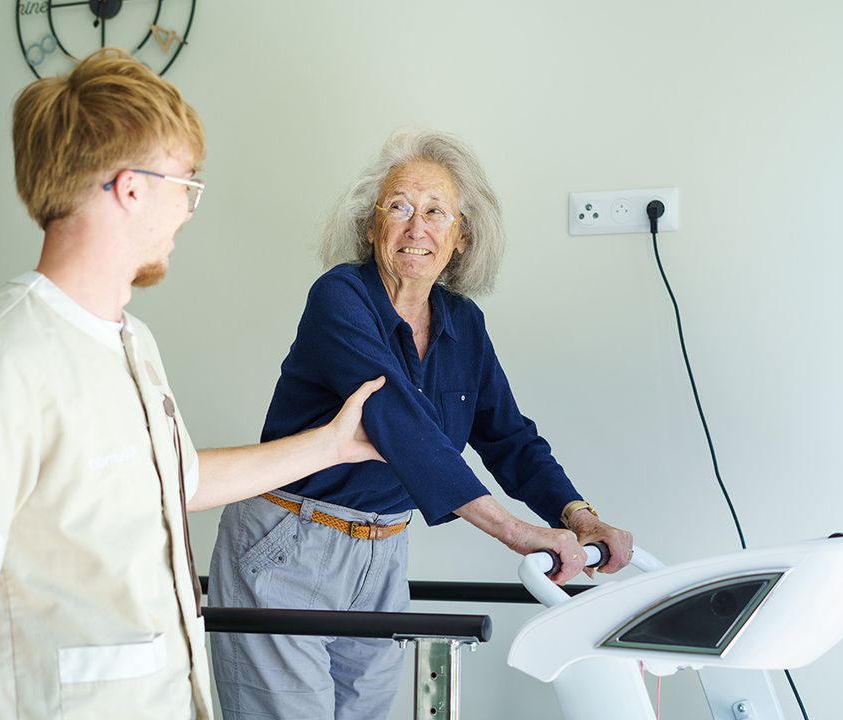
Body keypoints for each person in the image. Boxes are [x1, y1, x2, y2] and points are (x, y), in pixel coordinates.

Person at [0, 49, 384, 720]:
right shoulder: (0, 354)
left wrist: (333, 445)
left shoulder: (133, 344)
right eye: (186, 184)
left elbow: (179, 480)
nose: (188, 211)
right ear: (131, 187)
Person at [208, 129, 635, 719]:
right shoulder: (340, 297)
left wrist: (579, 517)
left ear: (461, 237)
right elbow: (399, 424)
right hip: (290, 543)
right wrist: (516, 532)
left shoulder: (464, 323)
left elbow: (509, 437)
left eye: (436, 212)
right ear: (369, 225)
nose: (417, 228)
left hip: (383, 553)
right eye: (399, 208)